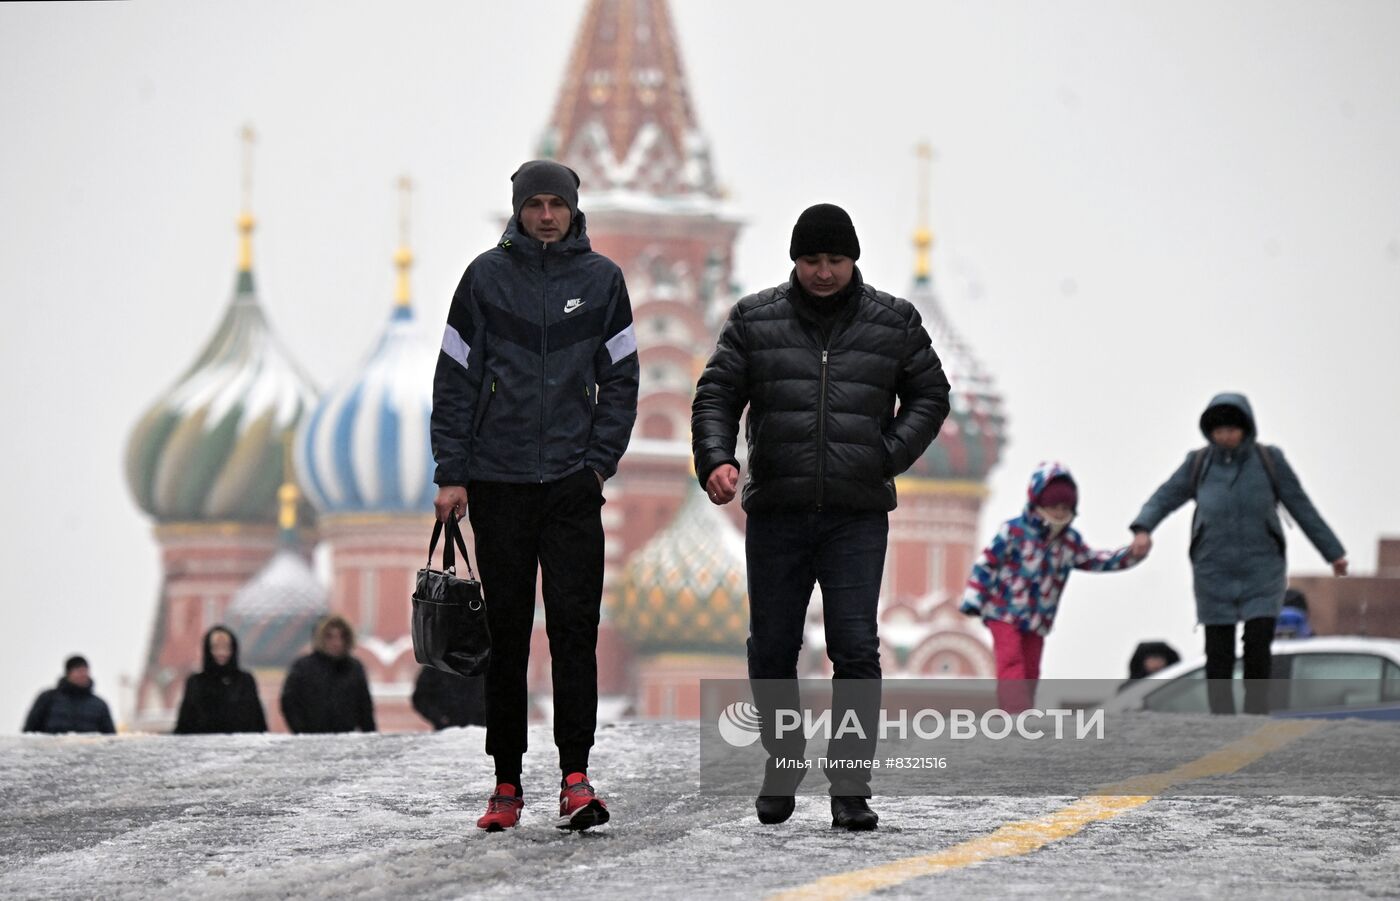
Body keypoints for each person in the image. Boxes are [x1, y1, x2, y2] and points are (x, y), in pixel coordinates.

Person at [691, 203, 951, 831]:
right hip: (777, 510)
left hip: (855, 517)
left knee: (856, 649)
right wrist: (717, 460)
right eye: (812, 260)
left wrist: (882, 455)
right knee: (774, 647)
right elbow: (717, 393)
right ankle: (782, 764)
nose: (825, 272)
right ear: (795, 261)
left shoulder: (894, 321)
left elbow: (931, 394)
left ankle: (851, 788)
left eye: (835, 259)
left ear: (853, 258)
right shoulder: (756, 319)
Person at [431, 159, 638, 833]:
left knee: (575, 631)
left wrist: (598, 464)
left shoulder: (603, 282)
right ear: (518, 210)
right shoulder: (484, 280)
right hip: (499, 480)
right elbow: (456, 378)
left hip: (572, 487)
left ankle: (575, 776)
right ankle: (506, 781)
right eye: (534, 204)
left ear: (574, 210)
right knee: (508, 635)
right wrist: (451, 473)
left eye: (557, 204)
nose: (546, 215)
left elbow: (624, 378)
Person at [1129, 393, 1346, 714]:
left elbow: (1302, 507)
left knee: (1258, 643)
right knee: (1219, 648)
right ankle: (1221, 720)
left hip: (1262, 568)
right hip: (1213, 569)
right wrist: (1143, 528)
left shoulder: (1269, 461)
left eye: (1232, 429)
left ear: (1245, 428)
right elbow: (1164, 497)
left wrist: (1333, 553)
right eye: (1219, 431)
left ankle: (1255, 714)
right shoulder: (1199, 464)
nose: (1226, 436)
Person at [960, 463, 1146, 713]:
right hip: (1003, 611)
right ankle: (1015, 712)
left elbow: (1097, 561)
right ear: (1038, 503)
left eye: (1064, 508)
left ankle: (1025, 710)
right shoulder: (1014, 531)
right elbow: (987, 563)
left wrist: (1131, 556)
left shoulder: (1069, 543)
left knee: (1031, 667)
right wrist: (974, 599)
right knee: (1011, 660)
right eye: (1053, 506)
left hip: (1038, 618)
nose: (1059, 513)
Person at [279, 615, 376, 734]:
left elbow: (365, 707)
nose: (337, 643)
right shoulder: (303, 668)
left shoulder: (354, 668)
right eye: (330, 637)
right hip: (311, 740)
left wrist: (370, 736)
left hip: (345, 739)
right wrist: (301, 731)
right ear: (320, 638)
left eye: (342, 637)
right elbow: (289, 702)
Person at [173, 626, 267, 734]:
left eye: (226, 647)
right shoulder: (196, 682)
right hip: (203, 747)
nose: (222, 653)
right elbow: (185, 723)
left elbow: (258, 721)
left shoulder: (245, 681)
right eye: (216, 647)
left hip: (241, 747)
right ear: (208, 649)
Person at [23, 655, 116, 734]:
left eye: (85, 671)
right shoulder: (48, 698)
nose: (82, 675)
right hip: (51, 754)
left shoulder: (99, 705)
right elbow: (29, 732)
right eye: (78, 671)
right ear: (68, 673)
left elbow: (109, 738)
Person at [411, 665, 487, 730]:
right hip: (448, 732)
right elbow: (420, 697)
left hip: (480, 732)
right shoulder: (435, 665)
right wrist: (440, 718)